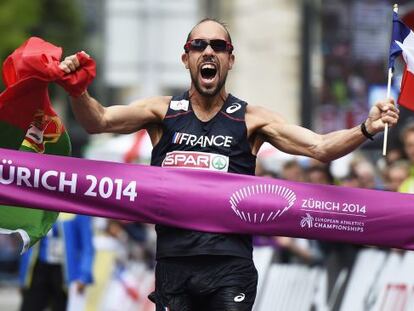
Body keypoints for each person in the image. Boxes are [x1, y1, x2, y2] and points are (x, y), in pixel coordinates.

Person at [59, 18, 399, 311]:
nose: (209, 52)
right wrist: (77, 91)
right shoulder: (162, 112)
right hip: (174, 264)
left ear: (230, 59)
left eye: (218, 46)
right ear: (186, 58)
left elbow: (320, 147)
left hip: (230, 266)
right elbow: (99, 120)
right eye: (199, 45)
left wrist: (366, 128)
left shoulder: (251, 119)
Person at [19, 214, 94, 311]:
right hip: (39, 269)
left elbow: (87, 246)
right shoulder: (40, 207)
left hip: (65, 272)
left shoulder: (78, 211)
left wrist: (84, 276)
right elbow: (28, 242)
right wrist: (23, 277)